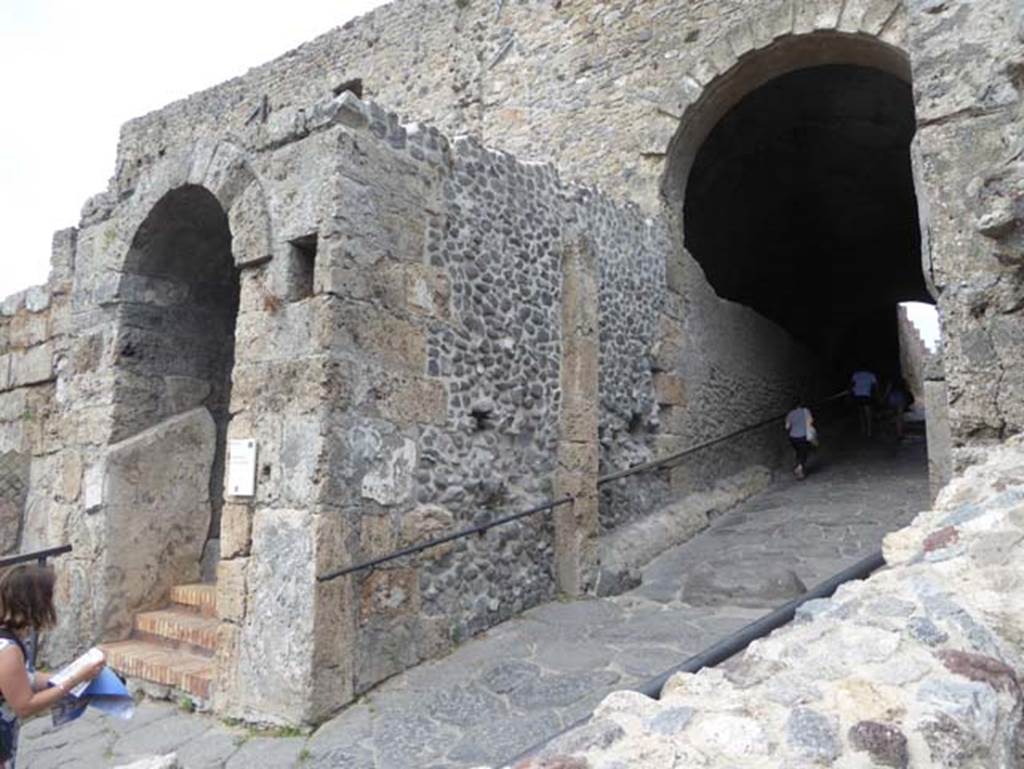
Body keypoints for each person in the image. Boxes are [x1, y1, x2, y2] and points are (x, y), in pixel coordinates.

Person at [0, 564, 104, 768]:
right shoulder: (8, 650)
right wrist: (75, 680)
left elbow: (23, 677)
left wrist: (71, 674)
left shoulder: (8, 638)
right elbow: (24, 705)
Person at [785, 398, 816, 480]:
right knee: (804, 452)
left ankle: (799, 466)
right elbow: (810, 421)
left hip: (793, 437)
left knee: (799, 452)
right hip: (803, 436)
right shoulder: (805, 411)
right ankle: (799, 467)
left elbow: (787, 427)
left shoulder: (790, 413)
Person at [850, 368, 879, 437]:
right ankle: (869, 431)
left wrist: (852, 391)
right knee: (868, 414)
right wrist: (876, 394)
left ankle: (863, 429)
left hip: (858, 395)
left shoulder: (856, 374)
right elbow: (875, 385)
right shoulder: (871, 375)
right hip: (866, 395)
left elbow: (852, 384)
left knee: (861, 413)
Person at [885, 377, 914, 441]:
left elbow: (888, 389)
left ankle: (897, 431)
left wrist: (885, 397)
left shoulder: (891, 380)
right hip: (900, 396)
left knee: (895, 415)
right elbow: (907, 388)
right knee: (900, 416)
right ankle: (900, 433)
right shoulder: (902, 380)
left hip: (892, 397)